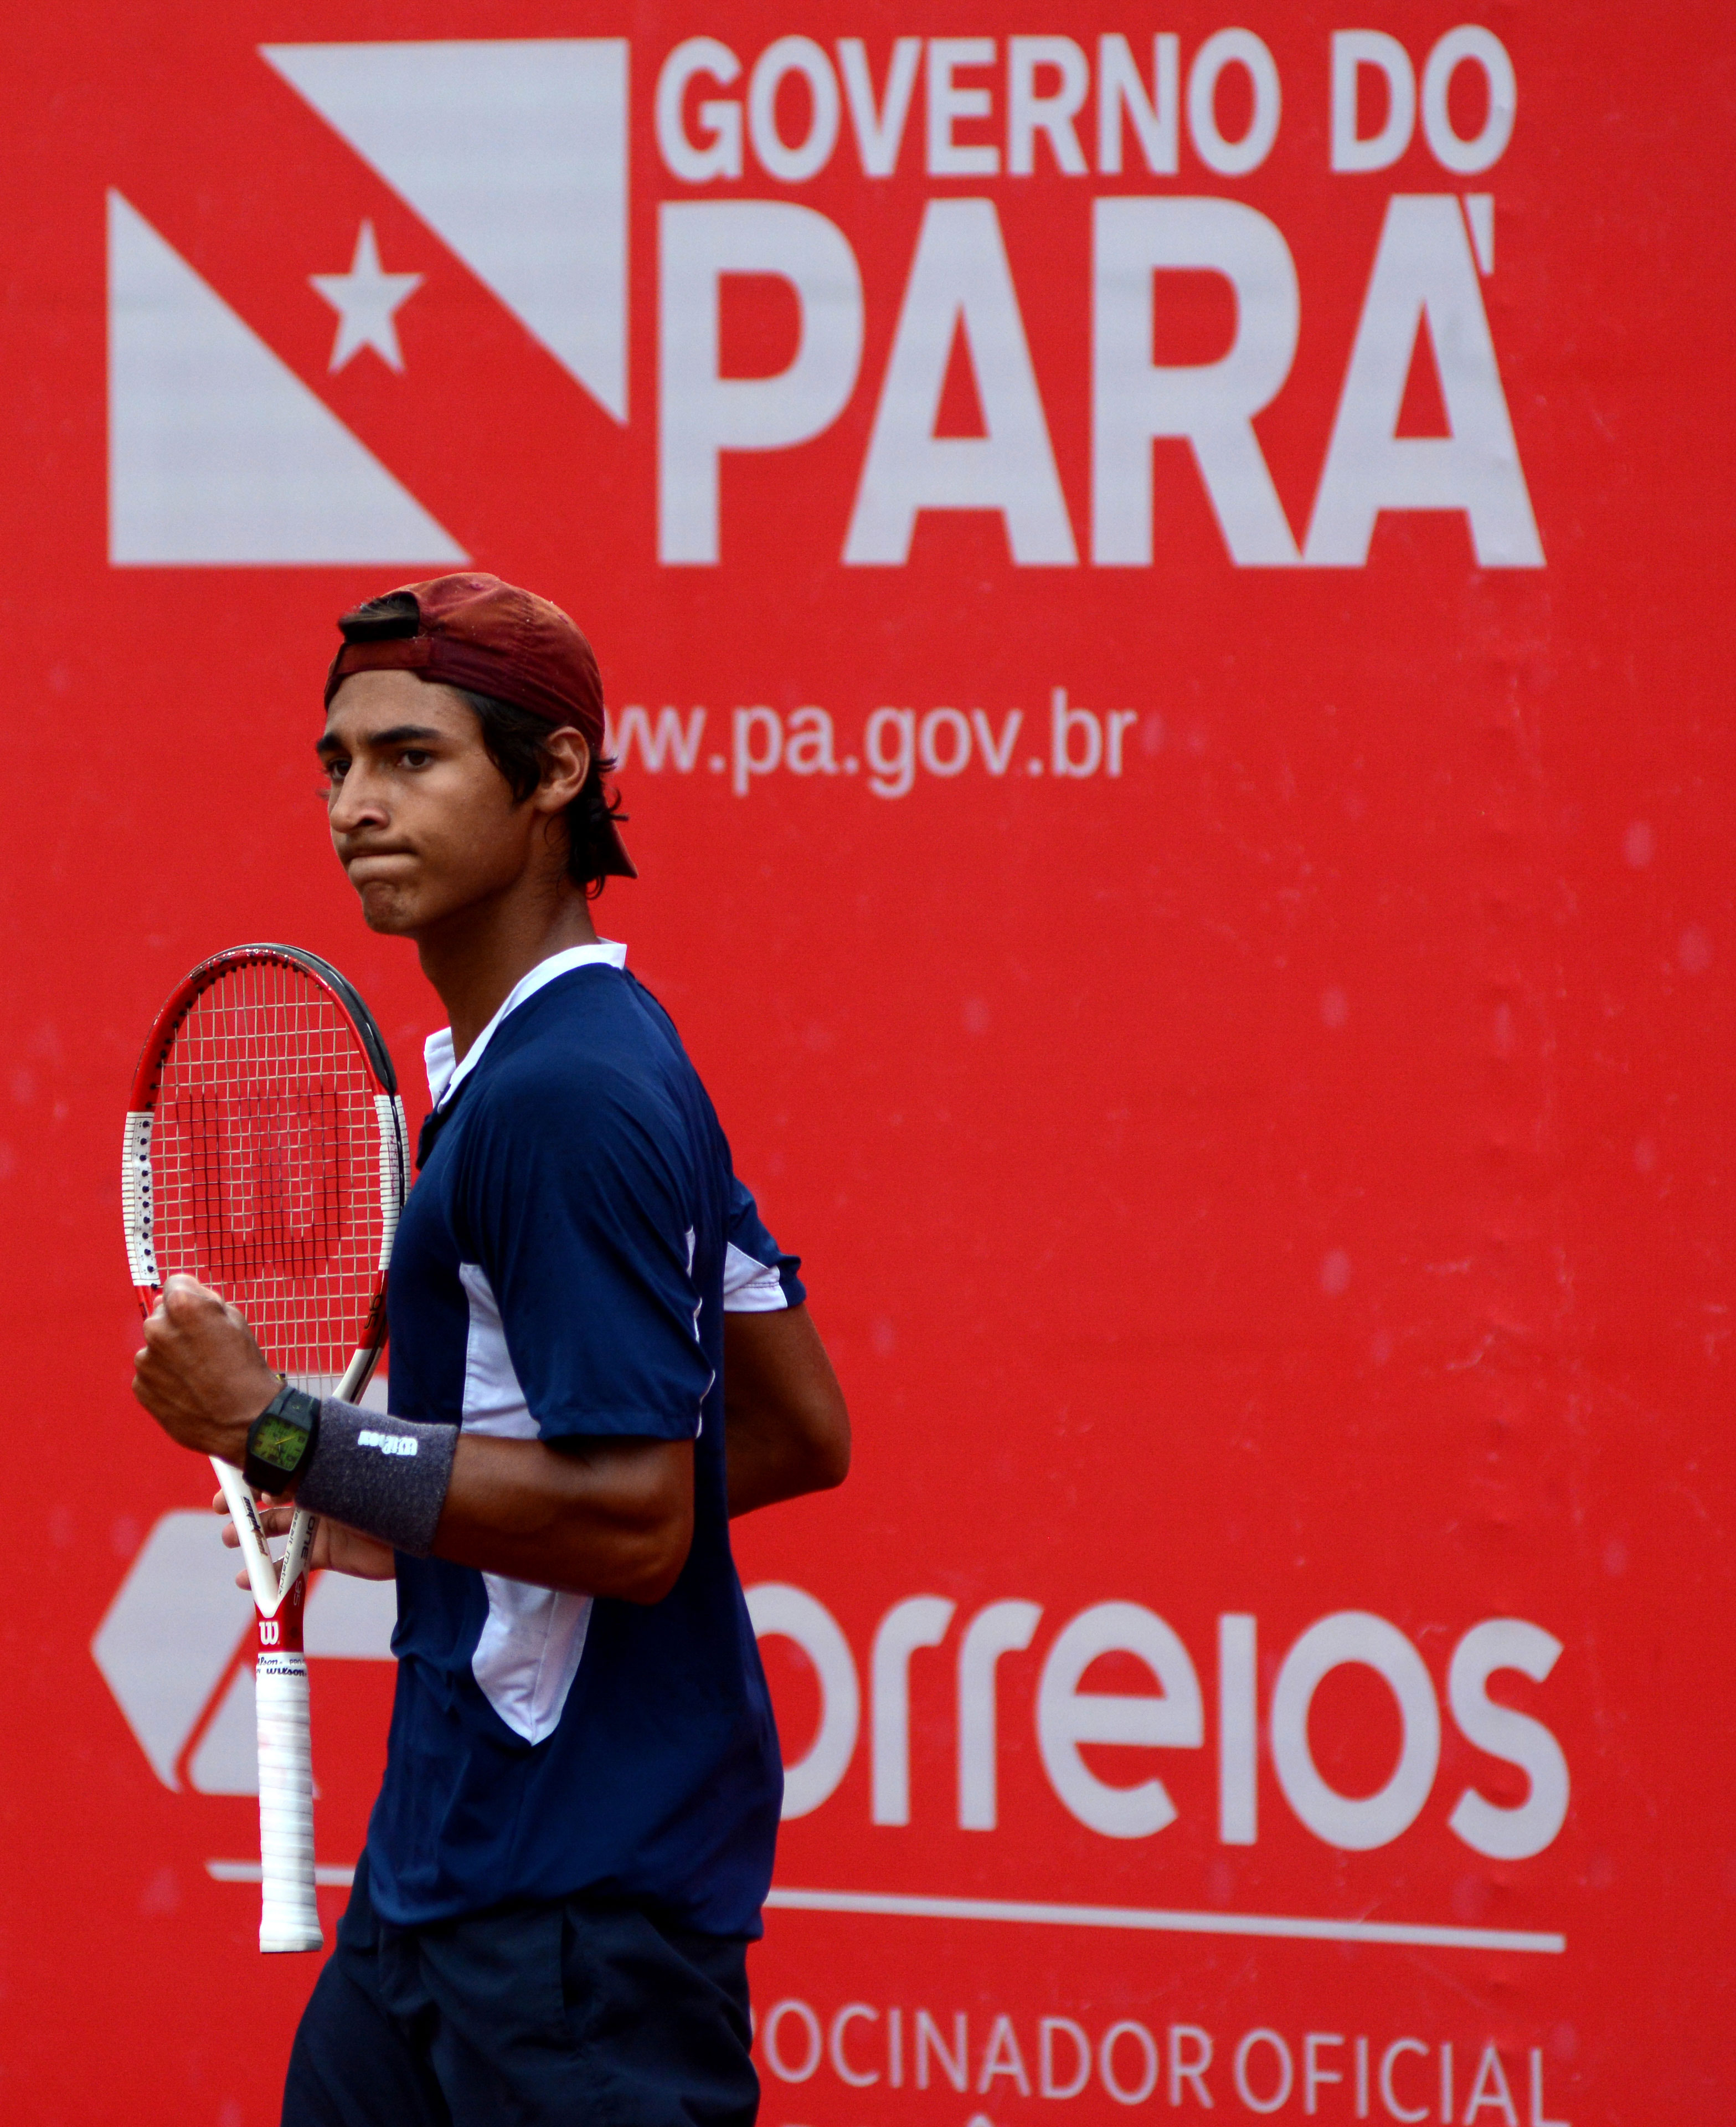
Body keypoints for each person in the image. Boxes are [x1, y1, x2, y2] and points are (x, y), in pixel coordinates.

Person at [130, 572, 851, 2126]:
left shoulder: (564, 1101)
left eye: (411, 758)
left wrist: (284, 1434)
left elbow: (643, 1518)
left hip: (574, 1932)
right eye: (336, 766)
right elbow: (791, 1431)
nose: (354, 804)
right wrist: (348, 1510)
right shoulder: (555, 1058)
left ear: (558, 775)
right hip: (443, 1886)